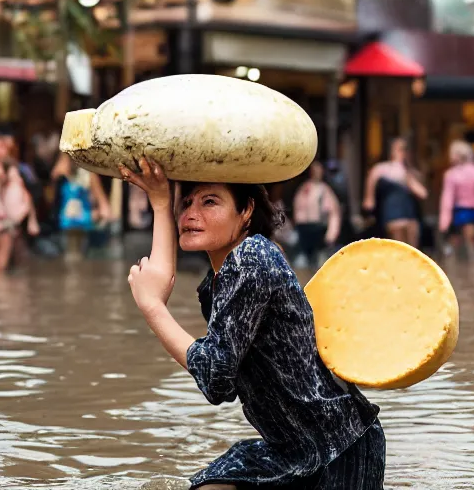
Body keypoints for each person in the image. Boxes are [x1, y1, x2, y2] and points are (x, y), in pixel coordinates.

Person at [120, 157, 384, 490]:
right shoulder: (218, 282)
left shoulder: (252, 257)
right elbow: (227, 383)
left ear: (246, 211)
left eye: (209, 201)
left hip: (340, 445)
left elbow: (215, 378)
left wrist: (153, 308)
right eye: (186, 203)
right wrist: (161, 203)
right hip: (288, 448)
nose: (190, 213)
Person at [363, 137, 428, 247]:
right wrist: (369, 199)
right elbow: (370, 187)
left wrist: (405, 173)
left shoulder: (410, 172)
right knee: (399, 246)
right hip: (392, 213)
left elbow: (423, 193)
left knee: (412, 249)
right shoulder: (381, 169)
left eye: (404, 149)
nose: (402, 152)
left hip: (409, 214)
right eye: (399, 149)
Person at [439, 140, 474, 260]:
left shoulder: (451, 174)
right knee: (471, 245)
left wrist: (444, 220)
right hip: (468, 211)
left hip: (464, 211)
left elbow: (447, 198)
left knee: (456, 245)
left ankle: (454, 270)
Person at [292, 161, 341, 268]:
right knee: (303, 262)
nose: (316, 173)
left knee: (319, 263)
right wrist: (298, 225)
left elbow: (334, 213)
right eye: (314, 171)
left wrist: (331, 233)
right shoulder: (304, 188)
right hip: (305, 230)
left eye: (318, 170)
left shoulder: (324, 190)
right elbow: (298, 207)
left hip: (319, 230)